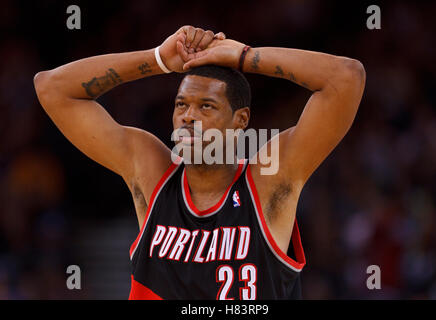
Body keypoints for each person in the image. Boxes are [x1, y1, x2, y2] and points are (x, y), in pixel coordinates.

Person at [33, 25, 365, 299]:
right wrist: (158, 59)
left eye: (206, 106)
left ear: (240, 120)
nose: (188, 117)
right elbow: (51, 87)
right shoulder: (152, 171)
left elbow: (346, 77)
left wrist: (243, 56)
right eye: (181, 105)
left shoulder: (268, 180)